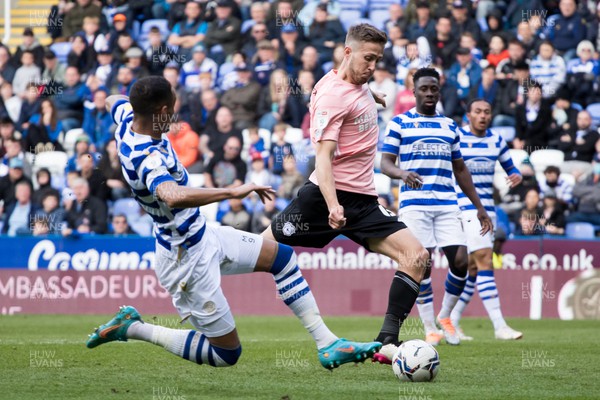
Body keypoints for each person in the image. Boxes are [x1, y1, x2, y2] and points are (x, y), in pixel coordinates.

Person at [87, 76, 381, 370]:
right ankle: (134, 328)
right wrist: (231, 191)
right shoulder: (145, 157)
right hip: (184, 258)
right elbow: (172, 195)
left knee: (282, 258)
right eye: (173, 109)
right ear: (162, 112)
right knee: (226, 354)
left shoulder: (128, 117)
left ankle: (328, 344)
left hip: (202, 234)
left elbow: (115, 100)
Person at [261, 24, 430, 365]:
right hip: (325, 198)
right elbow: (322, 157)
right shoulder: (333, 95)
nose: (373, 66)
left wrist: (374, 98)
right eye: (368, 58)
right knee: (257, 253)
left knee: (417, 258)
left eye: (378, 59)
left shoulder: (353, 84)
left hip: (363, 201)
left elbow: (354, 95)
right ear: (347, 52)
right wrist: (334, 205)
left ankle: (386, 343)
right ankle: (199, 277)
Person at [380, 67, 493, 347]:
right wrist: (401, 174)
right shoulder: (399, 123)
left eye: (433, 88)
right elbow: (385, 163)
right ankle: (430, 327)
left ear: (439, 91)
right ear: (414, 90)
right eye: (423, 89)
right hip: (415, 206)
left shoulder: (449, 125)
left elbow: (461, 169)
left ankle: (445, 317)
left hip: (446, 204)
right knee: (423, 264)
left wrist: (478, 207)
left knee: (460, 261)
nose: (429, 93)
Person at [446, 98, 524, 341]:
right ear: (468, 114)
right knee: (484, 261)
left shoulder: (497, 141)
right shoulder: (457, 138)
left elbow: (511, 168)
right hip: (464, 209)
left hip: (486, 211)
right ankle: (500, 326)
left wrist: (516, 176)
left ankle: (451, 321)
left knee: (472, 269)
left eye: (487, 112)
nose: (483, 115)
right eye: (477, 111)